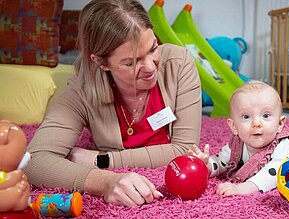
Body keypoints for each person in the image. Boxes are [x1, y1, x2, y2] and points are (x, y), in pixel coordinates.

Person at [24, 0, 202, 207]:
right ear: (101, 61)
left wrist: (103, 160)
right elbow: (33, 161)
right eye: (131, 62)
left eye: (153, 49)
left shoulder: (179, 64)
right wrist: (105, 181)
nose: (150, 67)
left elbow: (184, 149)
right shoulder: (83, 87)